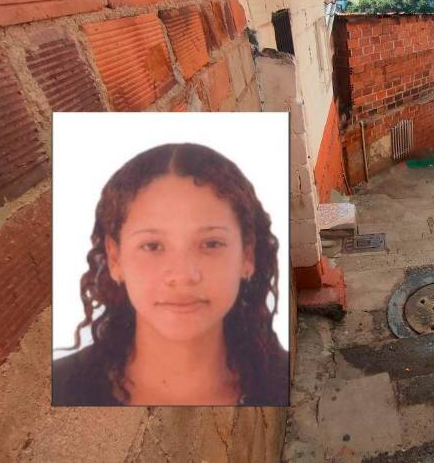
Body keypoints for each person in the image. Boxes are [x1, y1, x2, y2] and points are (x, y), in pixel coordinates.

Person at [52, 143, 289, 406]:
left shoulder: (289, 383)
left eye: (211, 244)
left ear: (248, 255)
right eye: (152, 246)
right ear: (115, 258)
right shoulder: (59, 389)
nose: (183, 275)